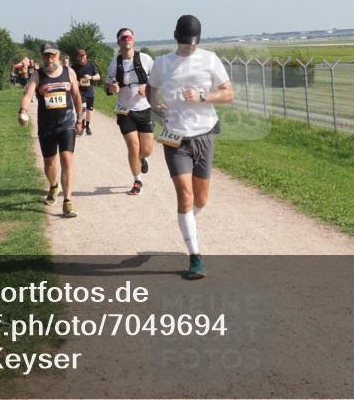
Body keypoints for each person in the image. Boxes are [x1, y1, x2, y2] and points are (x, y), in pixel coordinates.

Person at [148, 15, 234, 280]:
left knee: (201, 200)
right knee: (184, 196)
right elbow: (150, 89)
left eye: (193, 43)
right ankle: (195, 257)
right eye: (185, 42)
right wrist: (155, 108)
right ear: (176, 36)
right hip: (175, 137)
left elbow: (229, 94)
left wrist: (202, 96)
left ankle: (186, 221)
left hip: (204, 134)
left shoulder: (210, 59)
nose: (189, 47)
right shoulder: (162, 63)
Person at [19, 43, 84, 218]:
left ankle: (67, 201)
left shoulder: (69, 72)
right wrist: (23, 111)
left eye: (53, 55)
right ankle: (54, 185)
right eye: (47, 55)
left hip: (67, 123)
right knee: (50, 164)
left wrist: (80, 117)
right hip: (46, 126)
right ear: (42, 57)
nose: (50, 58)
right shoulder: (37, 75)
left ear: (59, 55)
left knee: (67, 159)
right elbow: (28, 95)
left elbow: (77, 95)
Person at [104, 28, 155, 196]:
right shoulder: (115, 63)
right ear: (118, 42)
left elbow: (157, 81)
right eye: (123, 38)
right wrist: (112, 88)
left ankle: (142, 158)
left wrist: (146, 86)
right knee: (133, 146)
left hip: (144, 108)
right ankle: (137, 180)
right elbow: (107, 87)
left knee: (146, 149)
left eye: (129, 37)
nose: (127, 40)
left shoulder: (145, 59)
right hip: (124, 110)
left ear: (133, 40)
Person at [70, 49, 101, 136]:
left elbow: (98, 76)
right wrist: (76, 82)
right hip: (79, 92)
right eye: (80, 56)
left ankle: (87, 126)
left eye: (83, 55)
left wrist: (90, 77)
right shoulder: (74, 67)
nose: (82, 57)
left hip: (90, 92)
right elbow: (70, 77)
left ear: (86, 56)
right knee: (82, 109)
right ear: (77, 57)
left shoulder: (91, 65)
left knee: (89, 111)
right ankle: (81, 126)